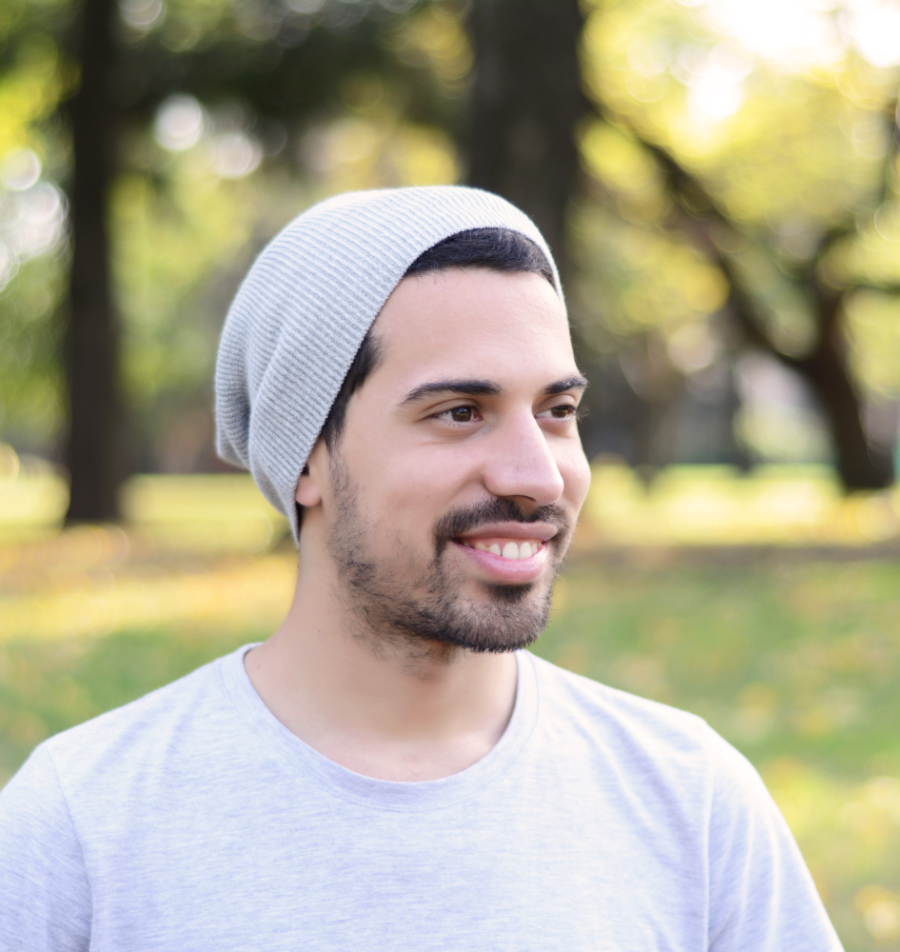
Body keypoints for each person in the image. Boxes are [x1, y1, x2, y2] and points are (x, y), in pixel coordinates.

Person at [0, 186, 843, 951]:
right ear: (307, 455)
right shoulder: (83, 829)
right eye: (460, 412)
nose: (537, 476)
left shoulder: (692, 802)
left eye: (557, 411)